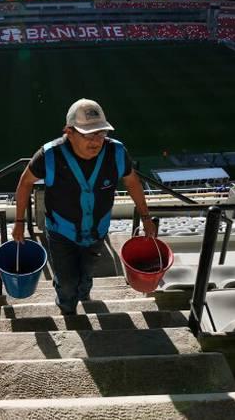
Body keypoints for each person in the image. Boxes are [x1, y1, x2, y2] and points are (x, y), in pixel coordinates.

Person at [12, 98, 157, 315]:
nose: (96, 141)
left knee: (88, 272)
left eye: (101, 133)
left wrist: (145, 218)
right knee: (66, 281)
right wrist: (19, 222)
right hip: (61, 233)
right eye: (88, 134)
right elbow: (25, 182)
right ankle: (67, 308)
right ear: (69, 132)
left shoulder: (116, 152)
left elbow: (132, 182)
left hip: (97, 231)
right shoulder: (50, 155)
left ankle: (84, 295)